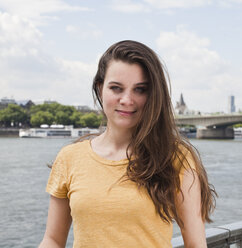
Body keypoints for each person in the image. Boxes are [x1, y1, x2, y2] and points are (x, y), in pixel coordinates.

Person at [39, 40, 216, 248]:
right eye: (116, 88)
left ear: (153, 95)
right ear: (100, 88)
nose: (127, 100)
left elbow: (195, 244)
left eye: (139, 90)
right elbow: (52, 240)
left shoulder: (175, 157)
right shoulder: (69, 157)